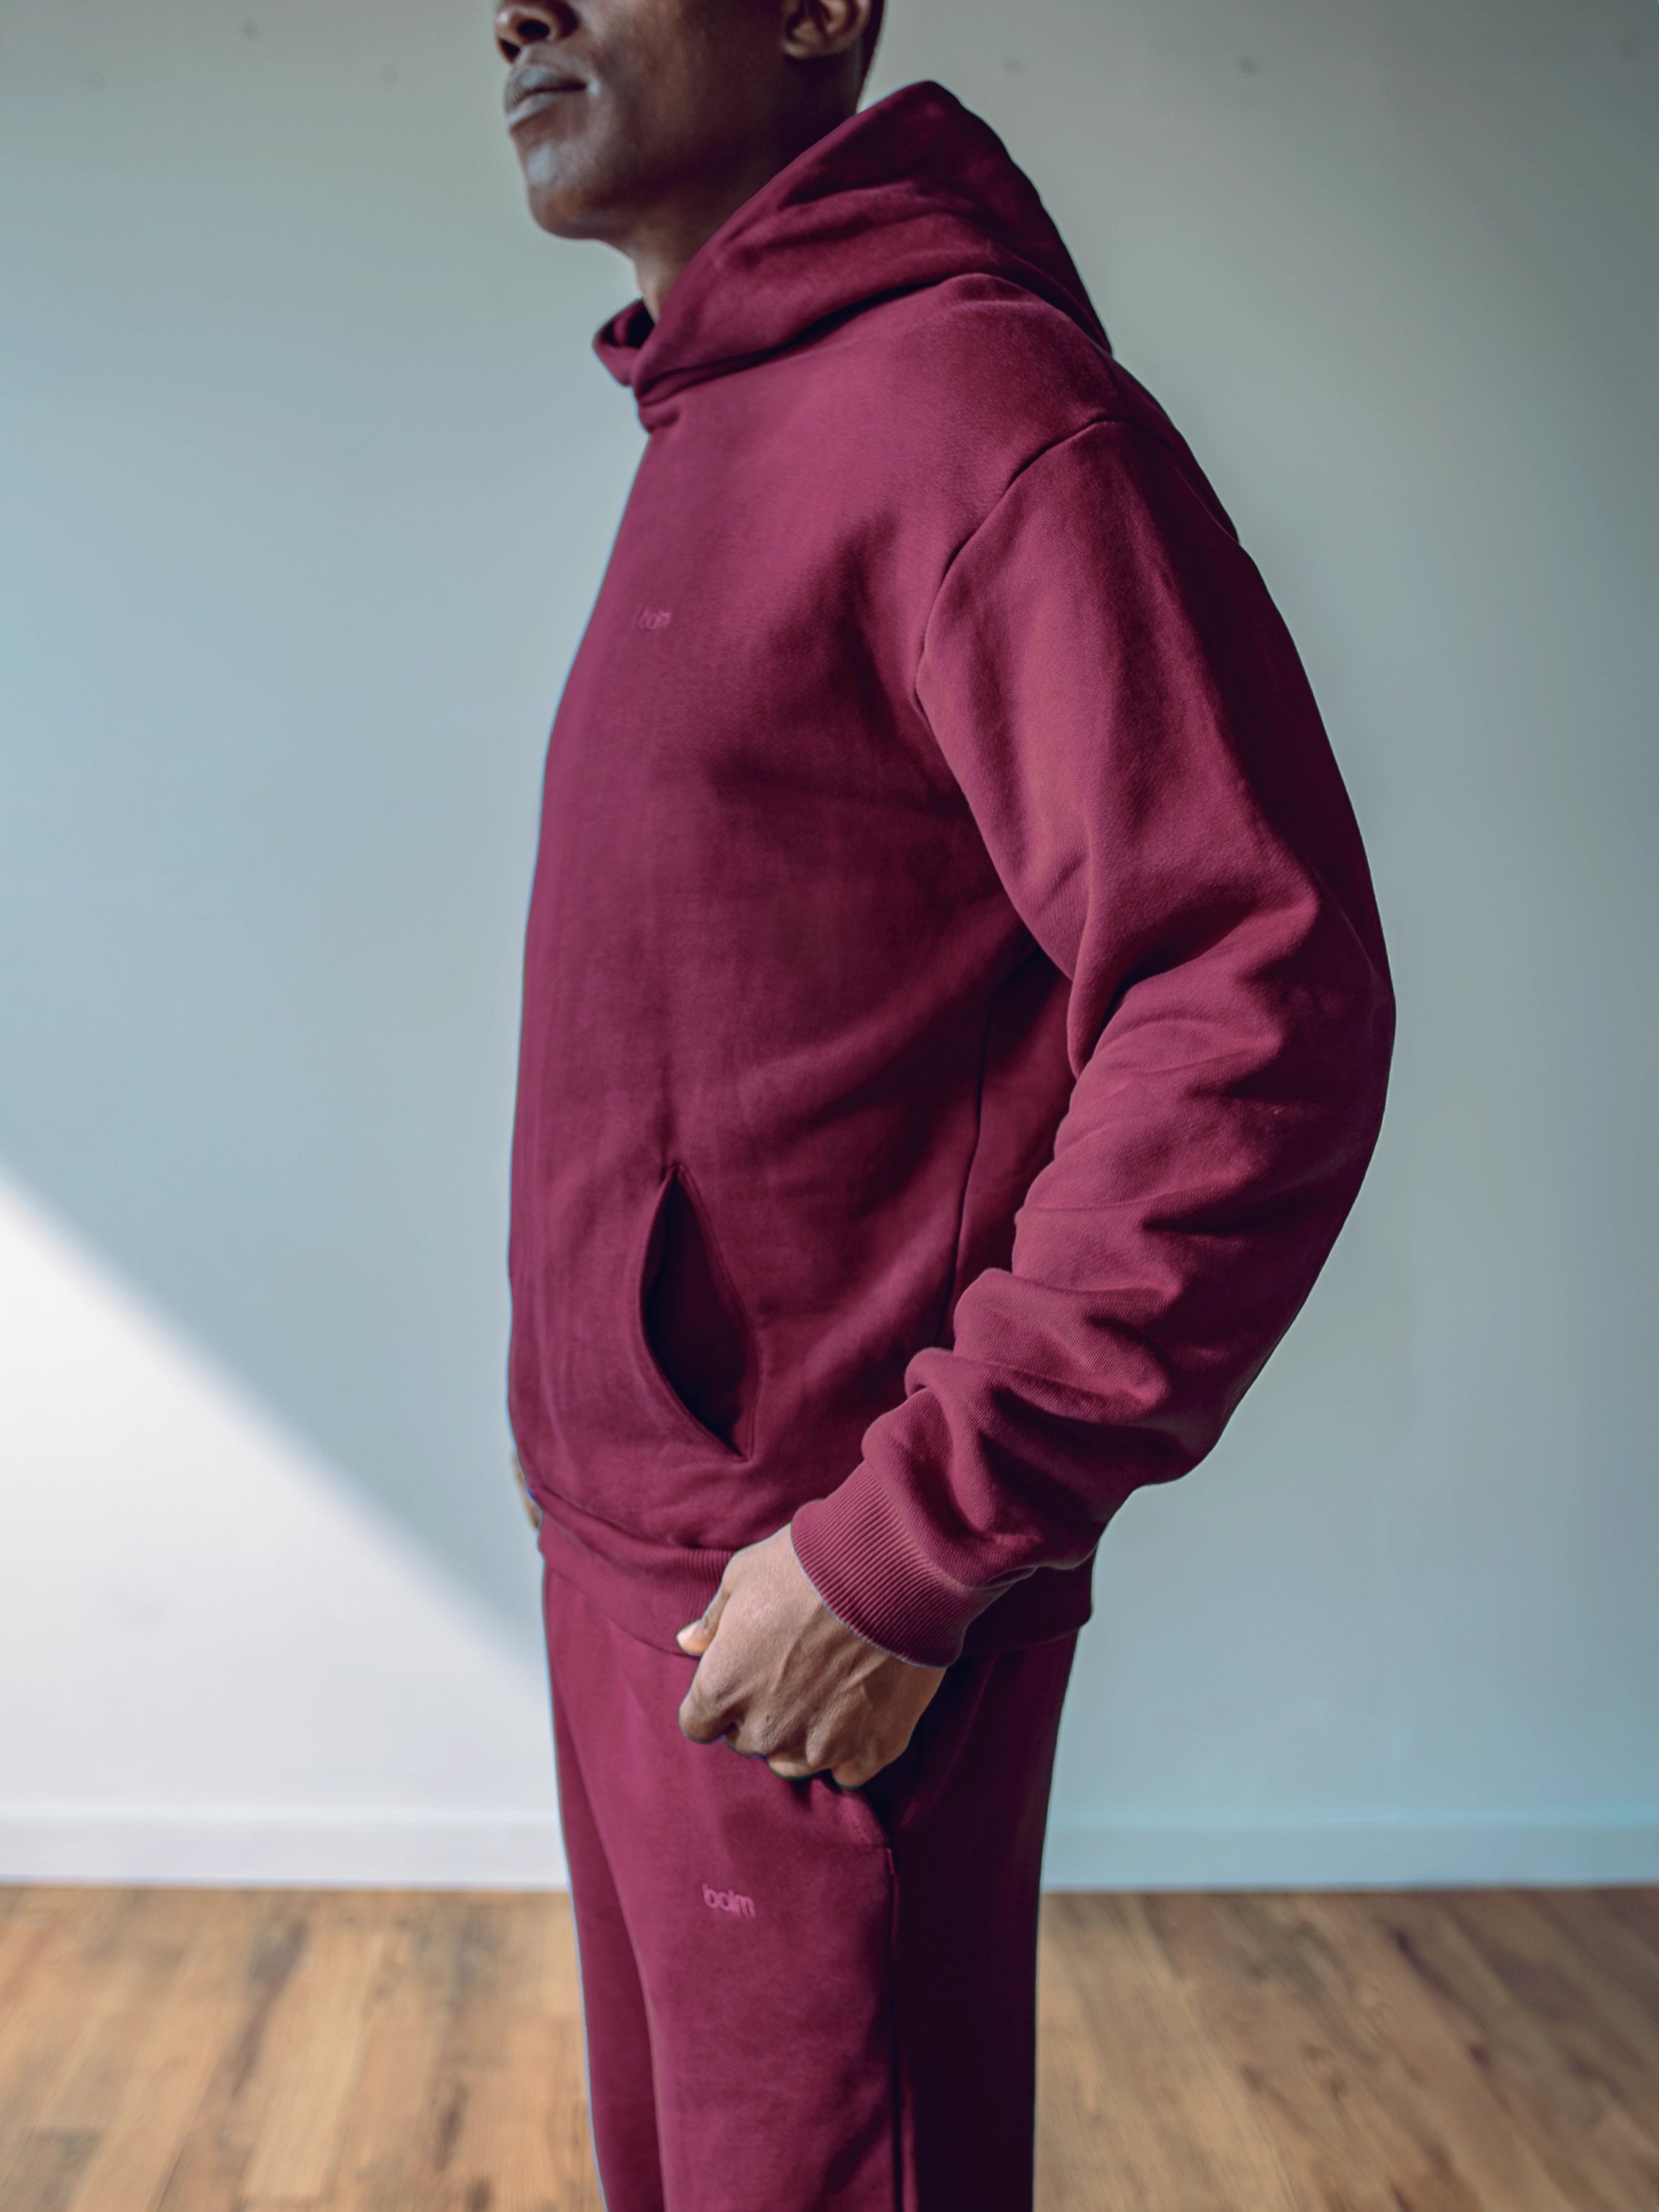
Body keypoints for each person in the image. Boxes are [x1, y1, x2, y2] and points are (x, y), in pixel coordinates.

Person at [495, 4, 1394, 2207]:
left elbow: (1255, 999)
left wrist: (906, 1552)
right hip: (641, 1561)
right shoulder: (729, 414)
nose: (515, 3)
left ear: (817, 7)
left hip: (802, 1595)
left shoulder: (975, 414)